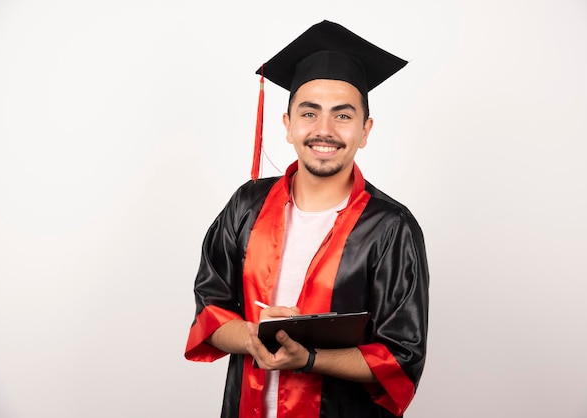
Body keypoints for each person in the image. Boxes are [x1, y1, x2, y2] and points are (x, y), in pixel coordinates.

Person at [184, 20, 429, 418]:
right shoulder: (246, 206)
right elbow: (210, 311)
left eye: (343, 116)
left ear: (365, 131)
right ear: (287, 125)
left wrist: (309, 358)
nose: (324, 130)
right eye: (309, 112)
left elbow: (400, 357)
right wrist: (253, 335)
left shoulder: (390, 228)